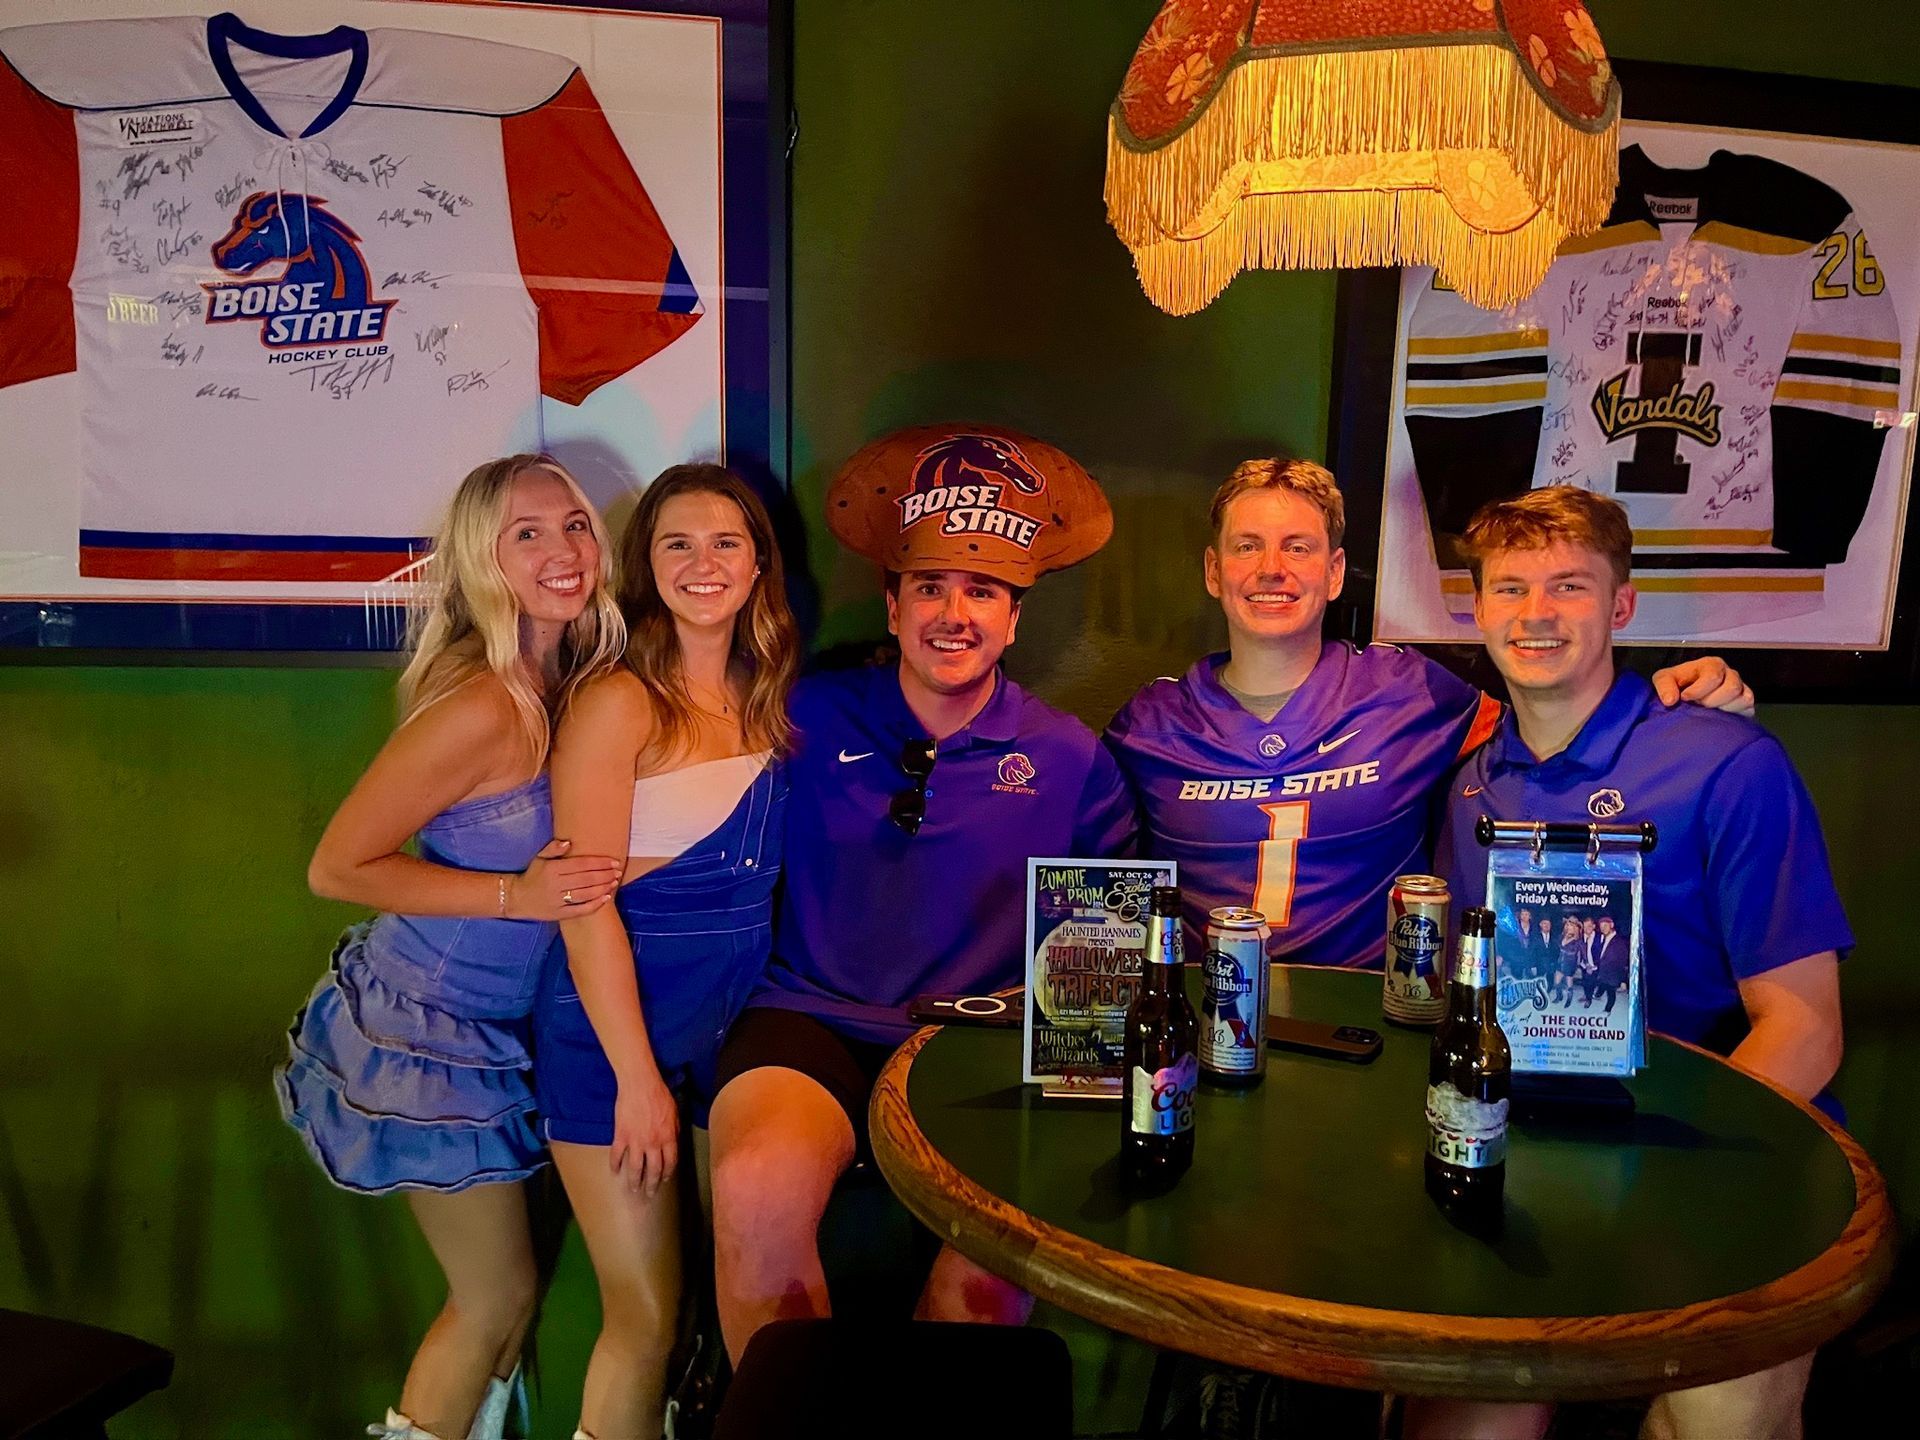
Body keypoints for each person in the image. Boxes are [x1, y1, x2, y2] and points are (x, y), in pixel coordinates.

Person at [1422, 485, 1850, 1440]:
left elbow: (1808, 1028)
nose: (1536, 614)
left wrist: (1664, 1183)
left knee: (1716, 1428)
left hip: (1733, 1168)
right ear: (1479, 609)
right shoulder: (1473, 788)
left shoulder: (1728, 761)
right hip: (1535, 1161)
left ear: (1620, 605)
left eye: (1568, 586)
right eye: (1510, 589)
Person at [707, 424, 1136, 1362]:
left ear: (1015, 617)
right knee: (752, 1190)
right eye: (931, 588)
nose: (955, 613)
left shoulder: (1070, 758)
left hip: (973, 1039)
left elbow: (1101, 952)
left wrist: (1064, 1058)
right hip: (806, 1016)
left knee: (990, 1267)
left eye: (982, 591)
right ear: (893, 606)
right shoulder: (803, 713)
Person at [278, 455, 628, 1440]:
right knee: (491, 1304)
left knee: (509, 1311)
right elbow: (339, 866)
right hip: (426, 1030)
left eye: (574, 524)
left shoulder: (571, 675)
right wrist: (518, 892)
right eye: (528, 533)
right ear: (483, 558)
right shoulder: (481, 704)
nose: (562, 549)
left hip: (508, 1029)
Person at [1104, 458, 1753, 971]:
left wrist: (1678, 701)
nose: (1272, 569)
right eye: (1248, 547)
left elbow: (1555, 716)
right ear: (1214, 572)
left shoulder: (1410, 688)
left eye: (1297, 547)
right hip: (1208, 1008)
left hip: (1368, 1018)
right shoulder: (1148, 725)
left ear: (1334, 574)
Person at [534, 465, 799, 1438]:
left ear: (758, 562)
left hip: (725, 1048)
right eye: (675, 544)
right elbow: (583, 905)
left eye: (725, 542)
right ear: (645, 567)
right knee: (642, 1320)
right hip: (615, 1052)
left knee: (711, 1322)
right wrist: (637, 1080)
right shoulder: (619, 702)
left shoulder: (761, 689)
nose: (702, 563)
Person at [1590, 914, 1628, 1014]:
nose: (1603, 929)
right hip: (1603, 971)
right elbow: (1602, 953)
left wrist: (1623, 980)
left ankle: (1607, 1010)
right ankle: (1598, 995)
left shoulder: (1620, 942)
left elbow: (1623, 961)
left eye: (1605, 926)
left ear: (1611, 925)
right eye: (1601, 927)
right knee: (1602, 983)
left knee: (1611, 992)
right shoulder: (1604, 938)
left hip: (1613, 973)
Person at [1555, 915, 1586, 1007]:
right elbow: (1557, 946)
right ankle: (1559, 996)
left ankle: (1569, 1000)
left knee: (1569, 984)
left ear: (1575, 928)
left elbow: (1584, 953)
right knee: (1557, 982)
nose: (1569, 927)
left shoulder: (1578, 941)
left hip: (1570, 963)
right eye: (1568, 925)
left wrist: (1586, 963)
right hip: (1560, 962)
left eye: (1571, 926)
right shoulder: (1562, 936)